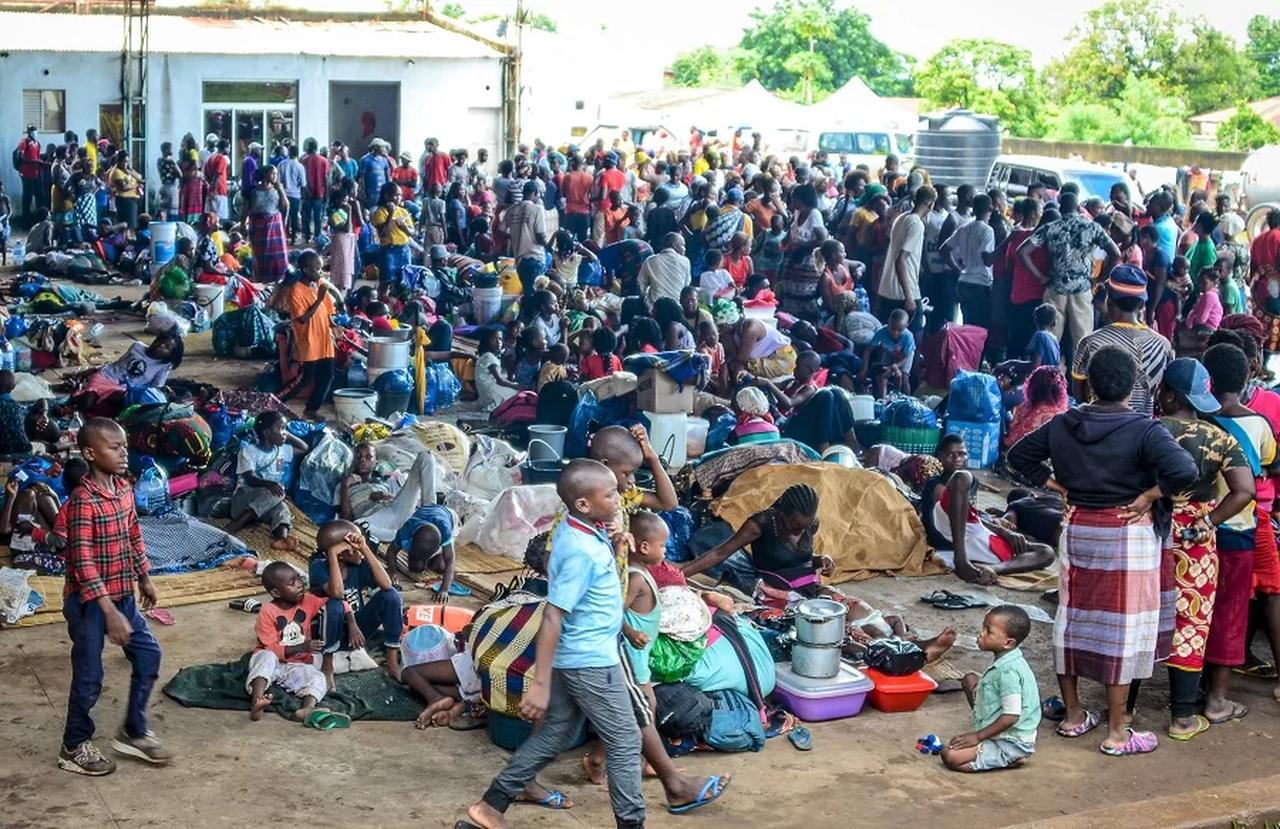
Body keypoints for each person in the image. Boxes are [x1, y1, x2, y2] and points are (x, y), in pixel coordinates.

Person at [1008, 345, 1197, 756]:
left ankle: (1074, 716)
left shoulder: (1064, 424)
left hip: (1079, 529)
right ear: (1132, 387)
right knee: (1123, 632)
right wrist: (1150, 495)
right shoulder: (1146, 430)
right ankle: (1117, 733)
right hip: (1127, 533)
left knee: (1071, 620)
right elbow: (1185, 470)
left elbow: (1018, 456)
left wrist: (1057, 486)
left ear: (1090, 383)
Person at [462, 460, 666, 829]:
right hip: (591, 662)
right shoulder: (579, 551)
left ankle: (492, 805)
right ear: (584, 504)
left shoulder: (583, 529)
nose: (619, 498)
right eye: (611, 494)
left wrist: (614, 541)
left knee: (556, 732)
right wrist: (540, 684)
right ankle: (631, 823)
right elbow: (553, 615)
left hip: (579, 655)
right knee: (624, 741)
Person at [1137, 358, 1255, 739]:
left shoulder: (1145, 430)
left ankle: (1126, 708)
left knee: (1141, 616)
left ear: (1168, 395)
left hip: (1146, 529)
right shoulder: (1220, 438)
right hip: (1195, 541)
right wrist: (1208, 522)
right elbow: (1245, 491)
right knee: (1191, 622)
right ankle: (1183, 718)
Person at [59, 418, 172, 775]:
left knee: (149, 655)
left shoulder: (124, 488)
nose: (124, 454)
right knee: (89, 676)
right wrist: (109, 613)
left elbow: (133, 534)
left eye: (124, 446)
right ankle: (73, 745)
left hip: (123, 594)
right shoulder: (82, 501)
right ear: (90, 453)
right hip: (89, 603)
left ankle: (133, 730)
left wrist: (145, 577)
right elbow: (82, 562)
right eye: (114, 447)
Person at [1200, 342, 1278, 724]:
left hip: (1199, 529)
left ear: (1208, 381)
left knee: (1200, 608)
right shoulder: (1259, 424)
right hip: (1241, 529)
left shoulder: (1200, 420)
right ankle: (1217, 699)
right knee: (1232, 613)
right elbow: (1268, 464)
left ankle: (1195, 688)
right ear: (1247, 376)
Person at [923, 434, 1055, 584]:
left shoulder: (972, 483)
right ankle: (961, 561)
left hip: (971, 535)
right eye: (950, 454)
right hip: (948, 536)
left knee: (1046, 552)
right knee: (962, 476)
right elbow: (954, 517)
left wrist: (1005, 532)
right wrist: (1001, 530)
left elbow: (971, 517)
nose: (957, 459)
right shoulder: (937, 484)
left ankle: (994, 568)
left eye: (962, 454)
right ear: (940, 456)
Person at [941, 606, 1040, 772]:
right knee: (969, 680)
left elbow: (1011, 716)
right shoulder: (1008, 660)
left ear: (1008, 643)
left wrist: (977, 736)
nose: (981, 634)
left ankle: (1010, 757)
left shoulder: (1008, 671)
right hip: (1005, 731)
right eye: (983, 628)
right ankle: (994, 747)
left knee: (950, 756)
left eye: (988, 632)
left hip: (1012, 740)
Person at [1018, 190, 1120, 352]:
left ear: (1060, 208)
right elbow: (1115, 253)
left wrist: (1040, 277)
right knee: (1083, 340)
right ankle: (1081, 368)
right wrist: (1100, 279)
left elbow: (1022, 252)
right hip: (1082, 288)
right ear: (1078, 208)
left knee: (1049, 338)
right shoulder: (1092, 227)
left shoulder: (1051, 228)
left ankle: (1048, 367)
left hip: (1055, 287)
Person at [1070, 266, 1173, 417]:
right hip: (1143, 427)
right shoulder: (1163, 345)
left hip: (1096, 425)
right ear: (1142, 305)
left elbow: (1078, 394)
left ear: (1109, 302)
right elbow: (1163, 393)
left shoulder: (1089, 342)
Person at [311, 520, 404, 683]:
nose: (360, 551)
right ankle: (327, 665)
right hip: (326, 634)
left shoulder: (358, 564)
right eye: (356, 548)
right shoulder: (317, 567)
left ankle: (392, 662)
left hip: (357, 634)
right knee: (334, 605)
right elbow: (337, 594)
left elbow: (386, 584)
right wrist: (333, 555)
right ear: (341, 554)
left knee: (392, 596)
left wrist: (365, 549)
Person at [247, 561, 330, 722]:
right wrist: (303, 646)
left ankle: (307, 709)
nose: (299, 584)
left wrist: (350, 620)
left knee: (318, 677)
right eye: (292, 583)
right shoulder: (267, 611)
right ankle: (257, 701)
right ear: (276, 592)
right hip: (273, 661)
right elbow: (271, 648)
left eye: (298, 578)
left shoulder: (308, 601)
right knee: (266, 657)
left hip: (295, 665)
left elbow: (335, 602)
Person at [224, 411, 308, 552]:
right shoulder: (248, 451)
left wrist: (286, 434)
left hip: (264, 507)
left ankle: (282, 538)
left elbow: (304, 448)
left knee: (282, 509)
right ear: (266, 432)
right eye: (280, 428)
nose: (284, 433)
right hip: (242, 503)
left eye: (285, 428)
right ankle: (237, 523)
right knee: (278, 492)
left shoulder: (281, 450)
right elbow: (250, 479)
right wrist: (269, 484)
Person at [275, 250, 337, 419]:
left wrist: (334, 325)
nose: (321, 272)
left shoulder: (318, 285)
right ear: (306, 270)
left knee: (328, 375)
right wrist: (319, 299)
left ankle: (311, 409)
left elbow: (327, 311)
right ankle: (276, 401)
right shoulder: (296, 291)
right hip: (309, 340)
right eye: (317, 269)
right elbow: (302, 319)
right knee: (305, 379)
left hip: (324, 338)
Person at [876, 184, 934, 334]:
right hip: (903, 292)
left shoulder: (901, 218)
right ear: (930, 204)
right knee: (913, 338)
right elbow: (900, 260)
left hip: (887, 289)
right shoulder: (916, 224)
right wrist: (909, 297)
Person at [77, 329, 183, 411]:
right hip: (106, 377)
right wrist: (97, 369)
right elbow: (119, 363)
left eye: (167, 347)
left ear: (171, 354)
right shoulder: (137, 346)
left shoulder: (164, 366)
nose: (161, 346)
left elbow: (155, 387)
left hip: (127, 390)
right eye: (160, 341)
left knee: (117, 404)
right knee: (86, 404)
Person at [385, 499, 459, 602]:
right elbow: (391, 551)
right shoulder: (406, 531)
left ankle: (434, 558)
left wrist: (444, 589)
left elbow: (450, 560)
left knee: (440, 566)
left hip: (448, 515)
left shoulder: (445, 530)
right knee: (416, 567)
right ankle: (422, 558)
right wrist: (392, 571)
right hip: (425, 512)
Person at [944, 193, 997, 333]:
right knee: (979, 330)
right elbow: (987, 260)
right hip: (980, 284)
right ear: (990, 209)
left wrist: (957, 269)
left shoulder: (964, 227)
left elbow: (944, 250)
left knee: (967, 326)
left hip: (963, 282)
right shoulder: (987, 231)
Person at [1004, 366, 1069, 451]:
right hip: (1029, 456)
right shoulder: (1056, 416)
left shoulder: (1022, 407)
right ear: (1059, 389)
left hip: (1010, 451)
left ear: (1032, 386)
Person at [503, 180, 548, 300]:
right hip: (535, 257)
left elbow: (501, 231)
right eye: (539, 194)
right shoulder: (537, 209)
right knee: (535, 295)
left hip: (519, 260)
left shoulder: (511, 210)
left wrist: (516, 236)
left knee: (527, 291)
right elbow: (540, 236)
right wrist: (549, 246)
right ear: (535, 192)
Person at [245, 165, 289, 283]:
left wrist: (281, 190)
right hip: (258, 227)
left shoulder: (277, 189)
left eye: (276, 174)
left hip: (274, 226)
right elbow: (246, 208)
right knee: (260, 255)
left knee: (277, 256)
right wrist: (242, 224)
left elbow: (285, 206)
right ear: (265, 175)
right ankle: (261, 280)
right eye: (272, 173)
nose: (275, 176)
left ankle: (278, 279)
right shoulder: (253, 191)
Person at [859, 308, 915, 396]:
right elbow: (868, 350)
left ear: (906, 326)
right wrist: (864, 368)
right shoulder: (881, 332)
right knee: (883, 373)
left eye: (900, 330)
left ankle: (906, 397)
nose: (895, 333)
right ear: (888, 322)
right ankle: (883, 398)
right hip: (889, 351)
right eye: (892, 328)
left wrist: (895, 366)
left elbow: (905, 358)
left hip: (905, 355)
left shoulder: (908, 337)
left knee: (904, 377)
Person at [370, 182, 414, 286]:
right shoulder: (379, 212)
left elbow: (411, 232)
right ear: (387, 196)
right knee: (387, 282)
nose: (399, 198)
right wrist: (391, 214)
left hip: (404, 249)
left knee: (404, 282)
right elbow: (383, 233)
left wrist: (404, 228)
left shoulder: (403, 211)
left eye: (400, 195)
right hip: (389, 249)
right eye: (396, 195)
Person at [636, 232, 692, 307]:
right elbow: (686, 287)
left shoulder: (650, 260)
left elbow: (640, 286)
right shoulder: (685, 261)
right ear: (674, 245)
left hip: (654, 307)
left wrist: (646, 301)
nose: (685, 249)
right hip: (676, 308)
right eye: (683, 245)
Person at [475, 325, 518, 413]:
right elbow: (500, 380)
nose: (498, 342)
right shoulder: (489, 357)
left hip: (484, 391)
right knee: (515, 394)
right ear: (486, 341)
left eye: (500, 339)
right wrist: (516, 385)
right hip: (489, 390)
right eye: (494, 339)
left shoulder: (487, 355)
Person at [300, 138, 330, 244]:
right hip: (319, 192)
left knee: (306, 217)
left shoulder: (303, 160)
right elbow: (325, 178)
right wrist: (326, 192)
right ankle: (317, 236)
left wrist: (304, 191)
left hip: (307, 193)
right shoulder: (324, 161)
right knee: (318, 217)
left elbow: (302, 178)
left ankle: (307, 236)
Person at [278, 144, 306, 243]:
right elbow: (303, 183)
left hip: (283, 195)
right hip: (295, 195)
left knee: (283, 217)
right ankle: (293, 237)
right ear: (297, 154)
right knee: (294, 217)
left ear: (289, 153)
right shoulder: (300, 167)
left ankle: (282, 236)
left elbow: (278, 181)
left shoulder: (281, 165)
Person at [108, 151, 142, 230]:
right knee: (127, 225)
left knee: (132, 225)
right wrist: (135, 186)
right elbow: (123, 187)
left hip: (133, 199)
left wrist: (130, 172)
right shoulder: (116, 172)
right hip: (125, 200)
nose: (125, 164)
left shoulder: (127, 170)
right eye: (124, 162)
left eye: (127, 162)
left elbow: (140, 179)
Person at [1186, 267, 1224, 335]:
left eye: (1204, 282)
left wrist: (1192, 317)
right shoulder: (1214, 293)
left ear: (1214, 282)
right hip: (1209, 328)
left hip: (1205, 329)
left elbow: (1201, 319)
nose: (1200, 285)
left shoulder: (1209, 295)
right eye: (1199, 282)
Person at [17, 124, 44, 220]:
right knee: (27, 197)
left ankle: (40, 218)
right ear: (28, 132)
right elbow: (21, 157)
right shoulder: (24, 142)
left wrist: (41, 164)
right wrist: (34, 162)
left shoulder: (37, 143)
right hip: (27, 174)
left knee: (39, 196)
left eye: (35, 130)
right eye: (32, 131)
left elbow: (38, 157)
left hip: (36, 174)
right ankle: (25, 220)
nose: (34, 133)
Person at [1026, 304, 1061, 370]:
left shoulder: (1040, 335)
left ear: (1035, 320)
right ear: (1054, 322)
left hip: (1042, 375)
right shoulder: (1054, 339)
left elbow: (1036, 365)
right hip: (1053, 374)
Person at [202, 139, 230, 221]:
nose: (229, 150)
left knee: (210, 219)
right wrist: (213, 190)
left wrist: (210, 188)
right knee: (220, 218)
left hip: (210, 191)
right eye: (229, 148)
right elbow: (217, 174)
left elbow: (205, 176)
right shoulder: (222, 159)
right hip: (219, 191)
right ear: (225, 148)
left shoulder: (210, 158)